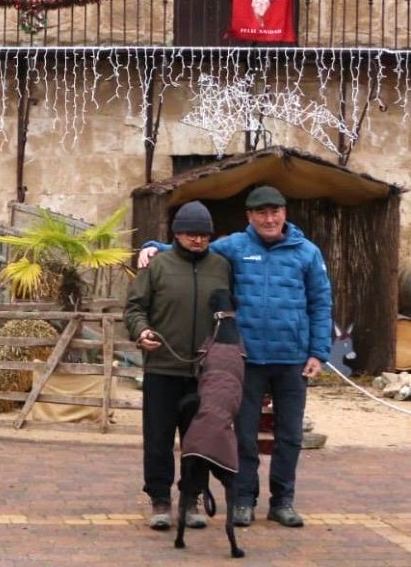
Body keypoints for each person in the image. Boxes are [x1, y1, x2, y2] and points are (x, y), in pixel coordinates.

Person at [138, 185, 332, 529]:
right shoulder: (235, 247)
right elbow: (192, 247)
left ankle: (283, 501)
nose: (269, 219)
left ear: (284, 213)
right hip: (247, 360)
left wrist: (318, 352)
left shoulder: (307, 253)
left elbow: (320, 303)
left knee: (290, 436)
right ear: (250, 217)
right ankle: (243, 500)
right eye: (261, 213)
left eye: (275, 212)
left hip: (292, 359)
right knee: (243, 436)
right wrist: (154, 246)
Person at [123, 201, 233, 531]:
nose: (197, 239)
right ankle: (159, 499)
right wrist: (141, 331)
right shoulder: (157, 265)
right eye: (190, 233)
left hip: (205, 371)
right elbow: (134, 307)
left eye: (203, 234)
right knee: (158, 439)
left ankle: (191, 498)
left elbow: (230, 313)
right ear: (177, 234)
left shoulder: (222, 267)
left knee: (198, 440)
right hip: (162, 367)